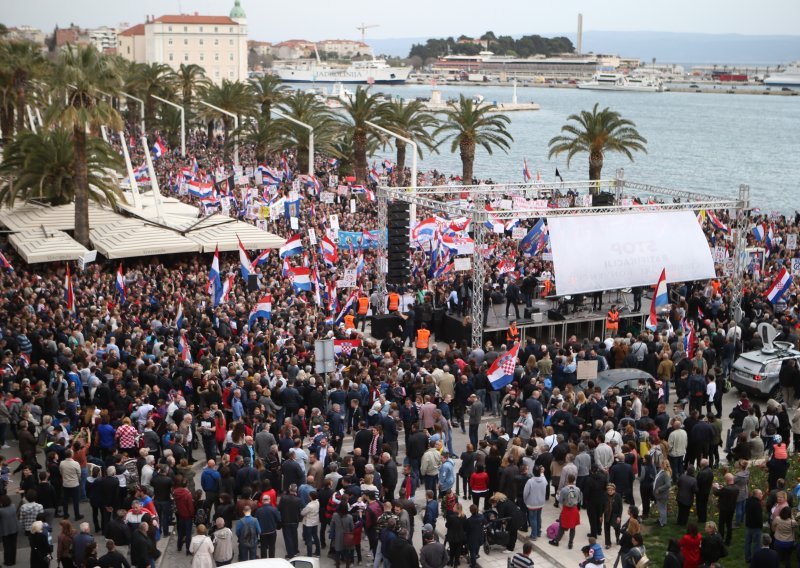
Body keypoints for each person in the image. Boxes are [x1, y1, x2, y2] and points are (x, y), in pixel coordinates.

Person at [549, 474, 582, 549]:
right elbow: (579, 499)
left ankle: (556, 541)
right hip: (574, 510)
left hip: (566, 510)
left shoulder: (564, 490)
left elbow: (560, 500)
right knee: (573, 528)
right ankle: (570, 543)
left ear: (567, 480)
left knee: (562, 526)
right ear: (574, 480)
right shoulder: (577, 489)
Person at [712, 473, 739, 546]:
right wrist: (722, 487)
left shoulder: (726, 489)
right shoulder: (736, 487)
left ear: (727, 480)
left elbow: (717, 493)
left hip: (724, 509)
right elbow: (726, 491)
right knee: (729, 524)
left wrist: (715, 487)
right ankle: (728, 541)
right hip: (732, 508)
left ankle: (720, 540)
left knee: (721, 524)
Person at [523, 465, 547, 540]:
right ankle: (538, 532)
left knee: (533, 518)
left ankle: (534, 535)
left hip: (532, 503)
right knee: (538, 517)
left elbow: (525, 493)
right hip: (541, 502)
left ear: (533, 472)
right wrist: (542, 473)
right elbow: (546, 483)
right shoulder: (543, 480)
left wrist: (525, 501)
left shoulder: (530, 481)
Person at [254, 494, 281, 559]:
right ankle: (271, 560)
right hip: (272, 531)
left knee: (263, 547)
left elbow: (255, 521)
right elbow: (279, 519)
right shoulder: (274, 509)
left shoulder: (258, 511)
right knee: (272, 547)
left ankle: (264, 561)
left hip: (262, 533)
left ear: (262, 501)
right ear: (269, 500)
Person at [331, 501, 354, 568]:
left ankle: (337, 566)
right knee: (347, 554)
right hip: (347, 537)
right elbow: (352, 528)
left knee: (337, 554)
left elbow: (332, 525)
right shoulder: (350, 517)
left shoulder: (335, 515)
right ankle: (347, 566)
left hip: (338, 537)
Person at [744, 489, 763, 565]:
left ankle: (747, 558)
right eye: (761, 494)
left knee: (747, 543)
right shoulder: (757, 504)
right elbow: (758, 517)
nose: (762, 495)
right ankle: (755, 560)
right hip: (756, 527)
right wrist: (761, 525)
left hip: (748, 525)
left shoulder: (748, 500)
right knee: (757, 544)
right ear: (757, 495)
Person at [603, 483, 623, 550]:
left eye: (611, 490)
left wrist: (619, 517)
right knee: (606, 529)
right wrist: (600, 515)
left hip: (615, 515)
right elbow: (602, 506)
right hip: (607, 515)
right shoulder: (605, 495)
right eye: (608, 490)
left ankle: (617, 538)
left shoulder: (618, 496)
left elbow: (620, 507)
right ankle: (608, 543)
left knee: (617, 528)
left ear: (614, 490)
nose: (610, 491)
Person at [0, 494, 19, 567]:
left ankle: (8, 561)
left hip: (5, 531)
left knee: (7, 546)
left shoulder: (1, 510)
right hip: (14, 529)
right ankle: (13, 560)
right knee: (13, 545)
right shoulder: (13, 506)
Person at [301, 491, 321, 557]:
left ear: (311, 497)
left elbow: (303, 513)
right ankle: (318, 552)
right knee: (315, 536)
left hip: (308, 523)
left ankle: (309, 555)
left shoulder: (309, 505)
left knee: (309, 539)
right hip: (315, 522)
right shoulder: (317, 502)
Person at [653, 461, 672, 527]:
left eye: (661, 463)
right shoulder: (662, 471)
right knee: (662, 508)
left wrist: (659, 489)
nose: (660, 464)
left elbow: (668, 484)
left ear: (663, 465)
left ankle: (662, 523)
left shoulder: (665, 474)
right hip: (661, 495)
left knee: (662, 509)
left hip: (662, 495)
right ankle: (662, 520)